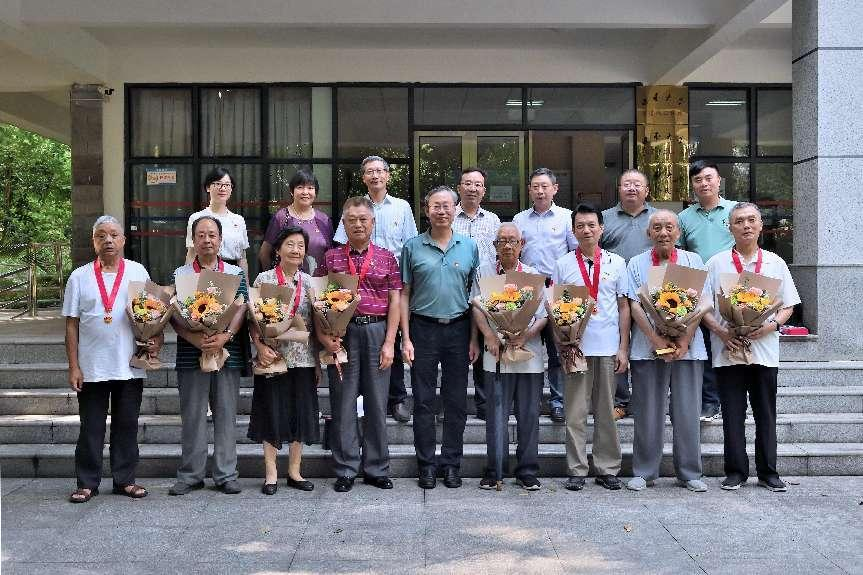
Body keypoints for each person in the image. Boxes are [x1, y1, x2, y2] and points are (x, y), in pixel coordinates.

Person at [702, 202, 800, 492]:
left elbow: (788, 305)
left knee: (765, 413)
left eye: (751, 220)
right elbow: (703, 307)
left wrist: (770, 326)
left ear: (760, 225)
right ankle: (735, 471)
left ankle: (768, 472)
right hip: (728, 349)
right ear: (729, 227)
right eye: (739, 221)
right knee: (732, 413)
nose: (745, 225)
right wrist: (722, 332)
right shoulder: (716, 263)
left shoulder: (775, 262)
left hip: (764, 350)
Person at [63, 215, 160, 503]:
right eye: (101, 235)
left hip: (129, 364)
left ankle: (125, 480)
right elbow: (71, 325)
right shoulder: (79, 277)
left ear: (123, 240)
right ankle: (87, 483)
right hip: (92, 366)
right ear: (93, 241)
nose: (108, 240)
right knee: (90, 427)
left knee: (127, 425)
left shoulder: (137, 271)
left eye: (114, 235)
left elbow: (153, 313)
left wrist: (155, 340)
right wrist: (74, 366)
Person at [317, 197, 402, 492]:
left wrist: (390, 342)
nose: (358, 224)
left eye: (363, 219)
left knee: (377, 403)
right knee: (343, 402)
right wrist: (325, 337)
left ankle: (377, 468)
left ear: (372, 222)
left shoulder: (387, 257)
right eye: (351, 219)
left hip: (377, 331)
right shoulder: (331, 258)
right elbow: (317, 299)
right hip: (343, 335)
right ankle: (346, 468)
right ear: (343, 223)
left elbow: (395, 301)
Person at [400, 185, 480, 489]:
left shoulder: (469, 246)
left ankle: (451, 464)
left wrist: (474, 338)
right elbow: (404, 294)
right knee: (423, 401)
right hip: (423, 329)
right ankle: (427, 465)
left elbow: (475, 297)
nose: (442, 211)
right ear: (426, 210)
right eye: (436, 206)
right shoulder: (412, 247)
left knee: (456, 401)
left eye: (447, 206)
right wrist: (405, 338)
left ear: (456, 209)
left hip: (459, 329)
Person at [625, 210, 708, 493]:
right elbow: (634, 304)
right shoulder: (636, 263)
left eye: (669, 227)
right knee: (647, 412)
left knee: (688, 411)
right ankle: (644, 471)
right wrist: (655, 339)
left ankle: (690, 472)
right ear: (648, 233)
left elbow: (703, 303)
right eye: (657, 227)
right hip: (647, 347)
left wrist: (685, 339)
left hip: (688, 349)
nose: (663, 232)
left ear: (678, 232)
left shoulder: (693, 260)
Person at [334, 155, 419, 424]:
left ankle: (396, 398)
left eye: (380, 171)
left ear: (388, 175)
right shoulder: (355, 208)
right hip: (359, 284)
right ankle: (361, 400)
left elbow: (410, 245)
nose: (375, 175)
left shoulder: (402, 207)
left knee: (391, 340)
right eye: (370, 171)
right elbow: (340, 243)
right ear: (363, 177)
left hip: (391, 282)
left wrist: (407, 284)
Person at [169, 215, 249, 496]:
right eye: (201, 235)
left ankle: (226, 474)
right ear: (193, 240)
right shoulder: (181, 274)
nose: (207, 240)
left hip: (228, 353)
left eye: (212, 235)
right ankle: (191, 475)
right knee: (192, 416)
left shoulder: (234, 273)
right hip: (191, 354)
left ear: (220, 240)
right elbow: (173, 313)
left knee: (226, 415)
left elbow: (241, 307)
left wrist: (226, 335)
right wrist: (193, 337)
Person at [552, 203, 629, 492]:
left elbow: (623, 307)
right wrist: (562, 343)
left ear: (601, 229)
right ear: (573, 231)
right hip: (576, 348)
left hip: (607, 347)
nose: (586, 230)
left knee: (606, 410)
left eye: (591, 225)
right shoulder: (563, 264)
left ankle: (607, 468)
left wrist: (623, 347)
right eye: (580, 226)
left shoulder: (616, 262)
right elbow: (556, 309)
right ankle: (576, 469)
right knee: (575, 412)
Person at [471, 223, 546, 491]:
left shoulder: (533, 275)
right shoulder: (484, 272)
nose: (507, 245)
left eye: (512, 241)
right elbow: (477, 307)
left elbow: (544, 315)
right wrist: (488, 337)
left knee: (529, 415)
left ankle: (527, 470)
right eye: (501, 241)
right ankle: (495, 469)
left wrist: (526, 335)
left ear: (521, 245)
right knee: (496, 415)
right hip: (496, 353)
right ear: (494, 246)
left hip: (528, 355)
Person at [248, 226, 320, 494]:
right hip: (273, 357)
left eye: (300, 245)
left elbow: (317, 324)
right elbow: (252, 320)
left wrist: (318, 361)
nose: (296, 250)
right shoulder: (264, 279)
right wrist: (259, 346)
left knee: (300, 414)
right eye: (290, 244)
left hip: (303, 359)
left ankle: (294, 471)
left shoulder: (310, 282)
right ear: (278, 250)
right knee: (271, 412)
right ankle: (271, 474)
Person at [513, 167, 577, 423]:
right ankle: (525, 398)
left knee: (557, 347)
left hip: (556, 290)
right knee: (523, 344)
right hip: (526, 290)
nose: (540, 191)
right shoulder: (519, 219)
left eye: (544, 186)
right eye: (535, 187)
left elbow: (575, 254)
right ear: (529, 190)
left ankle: (558, 401)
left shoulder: (566, 217)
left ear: (555, 189)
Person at [677, 160, 737, 422]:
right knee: (706, 343)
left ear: (719, 180)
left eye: (708, 178)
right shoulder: (684, 217)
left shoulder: (735, 210)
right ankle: (710, 401)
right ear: (692, 185)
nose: (704, 184)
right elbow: (680, 255)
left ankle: (733, 398)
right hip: (697, 289)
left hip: (732, 287)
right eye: (698, 180)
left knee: (730, 340)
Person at [601, 169, 656, 420]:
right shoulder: (605, 218)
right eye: (626, 184)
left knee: (649, 344)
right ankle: (620, 400)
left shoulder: (658, 217)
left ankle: (647, 399)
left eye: (637, 184)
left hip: (652, 296)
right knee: (618, 345)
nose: (631, 188)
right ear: (619, 189)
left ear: (647, 190)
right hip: (614, 295)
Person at [451, 167, 501, 421]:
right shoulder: (449, 216)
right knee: (456, 351)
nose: (472, 188)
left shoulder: (493, 221)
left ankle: (484, 403)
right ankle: (454, 403)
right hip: (455, 293)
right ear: (459, 188)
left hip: (485, 293)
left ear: (484, 190)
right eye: (467, 183)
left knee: (484, 349)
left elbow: (500, 256)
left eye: (477, 184)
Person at [258, 168, 334, 275]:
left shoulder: (324, 220)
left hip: (319, 281)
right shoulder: (282, 217)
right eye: (300, 187)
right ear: (292, 191)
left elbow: (331, 255)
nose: (305, 192)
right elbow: (264, 253)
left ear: (315, 192)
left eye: (310, 188)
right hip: (287, 282)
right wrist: (273, 278)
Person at [185, 167, 250, 279]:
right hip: (204, 272)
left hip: (232, 275)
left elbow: (242, 257)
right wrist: (188, 281)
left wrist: (246, 285)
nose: (222, 188)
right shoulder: (196, 218)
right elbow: (191, 253)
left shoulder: (238, 220)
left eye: (227, 185)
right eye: (218, 184)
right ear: (208, 187)